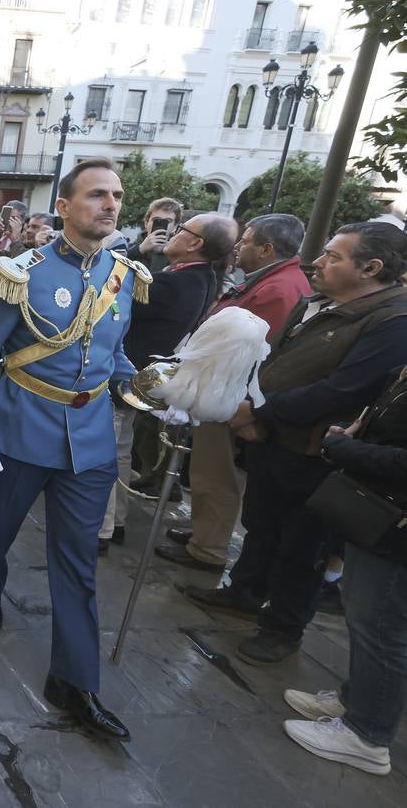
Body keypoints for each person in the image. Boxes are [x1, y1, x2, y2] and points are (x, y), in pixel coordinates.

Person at [0, 157, 153, 741]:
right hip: (22, 429)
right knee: (0, 525)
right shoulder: (22, 272)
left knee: (78, 562)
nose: (110, 204)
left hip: (92, 441)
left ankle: (74, 682)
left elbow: (113, 355)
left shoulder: (123, 275)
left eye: (117, 195)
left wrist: (146, 391)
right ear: (65, 206)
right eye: (97, 194)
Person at [188, 222, 407, 666]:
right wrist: (251, 406)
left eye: (333, 256)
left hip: (316, 452)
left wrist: (260, 412)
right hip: (276, 440)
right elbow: (276, 362)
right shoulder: (319, 302)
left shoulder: (391, 321)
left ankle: (283, 627)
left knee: (302, 547)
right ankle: (245, 592)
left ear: (370, 268)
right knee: (262, 524)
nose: (318, 262)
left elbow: (342, 390)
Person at [156, 214, 312, 571]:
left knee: (215, 473)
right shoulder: (272, 281)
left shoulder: (279, 288)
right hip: (223, 391)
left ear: (267, 249)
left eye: (248, 240)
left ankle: (208, 548)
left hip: (230, 396)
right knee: (207, 471)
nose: (238, 246)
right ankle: (204, 532)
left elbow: (261, 353)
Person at [282, 365, 407, 776]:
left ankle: (367, 735)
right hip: (380, 512)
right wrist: (353, 432)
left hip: (397, 525)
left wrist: (347, 449)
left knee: (382, 626)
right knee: (363, 613)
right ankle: (357, 700)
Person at [99, 212, 236, 553]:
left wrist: (136, 252)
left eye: (181, 230)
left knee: (103, 455)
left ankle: (99, 528)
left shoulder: (179, 282)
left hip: (124, 374)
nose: (171, 233)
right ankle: (113, 521)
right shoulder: (197, 277)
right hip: (135, 378)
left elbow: (109, 288)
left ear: (195, 243)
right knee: (117, 452)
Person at [127, 198, 185, 275]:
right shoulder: (127, 248)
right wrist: (140, 249)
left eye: (168, 221)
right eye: (156, 220)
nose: (162, 225)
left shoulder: (179, 255)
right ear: (146, 223)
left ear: (175, 227)